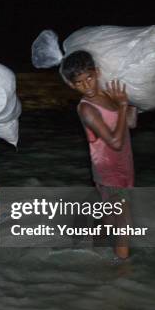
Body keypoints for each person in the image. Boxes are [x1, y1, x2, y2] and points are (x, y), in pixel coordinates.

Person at [60, 50, 136, 259]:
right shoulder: (86, 109)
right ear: (71, 85)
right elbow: (115, 141)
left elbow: (130, 123)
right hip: (109, 170)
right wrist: (121, 107)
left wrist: (130, 103)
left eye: (90, 78)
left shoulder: (108, 95)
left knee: (112, 217)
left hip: (124, 167)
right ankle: (123, 278)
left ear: (98, 72)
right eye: (79, 83)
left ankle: (89, 250)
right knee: (123, 226)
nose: (87, 86)